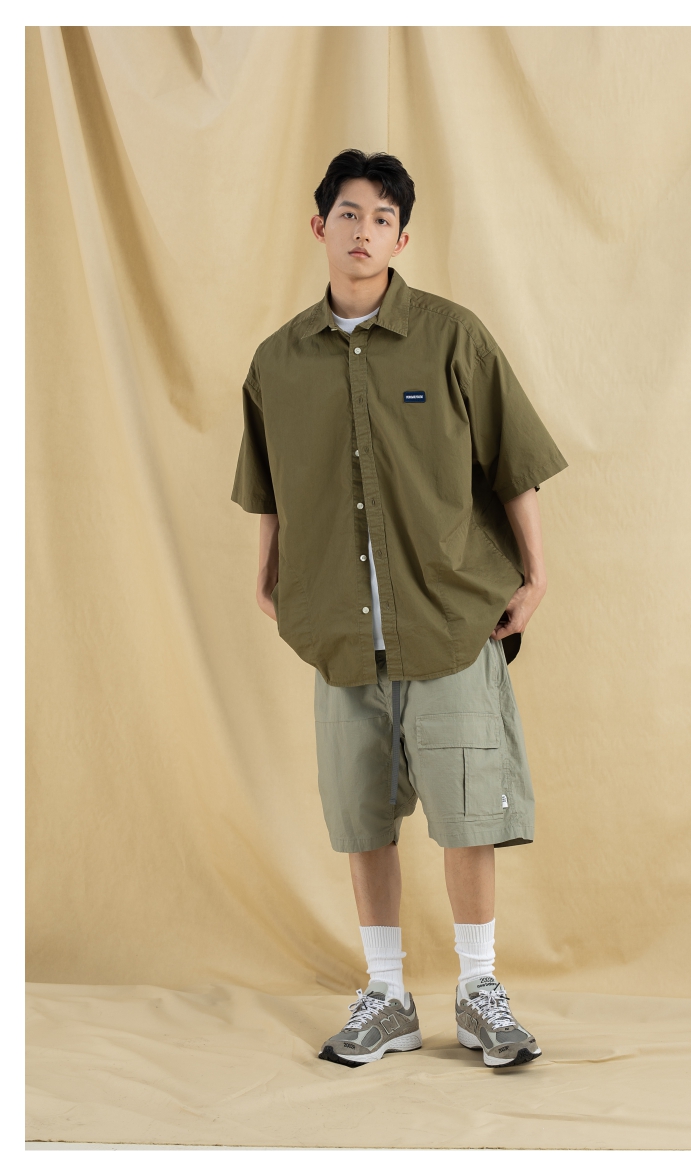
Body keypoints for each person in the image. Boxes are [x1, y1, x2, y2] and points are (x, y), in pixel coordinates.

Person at [231, 149, 568, 1069]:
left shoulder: (453, 337)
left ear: (402, 239)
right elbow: (269, 486)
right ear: (320, 226)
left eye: (383, 218)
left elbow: (515, 463)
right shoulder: (277, 361)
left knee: (469, 816)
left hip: (450, 625)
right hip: (340, 634)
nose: (364, 230)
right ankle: (386, 996)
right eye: (349, 213)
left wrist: (537, 575)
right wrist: (264, 577)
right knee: (362, 817)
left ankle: (478, 990)